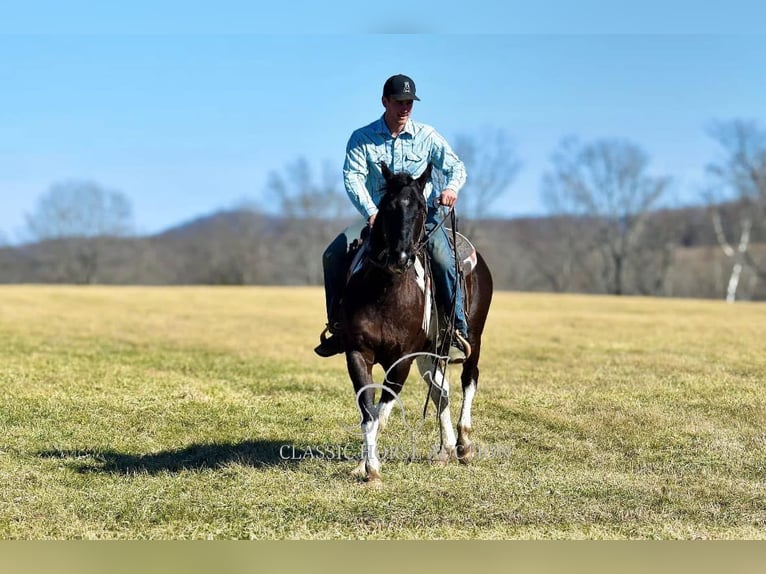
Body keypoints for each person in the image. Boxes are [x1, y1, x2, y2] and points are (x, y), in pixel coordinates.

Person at [314, 73, 469, 362]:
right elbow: (353, 178)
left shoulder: (428, 137)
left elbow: (456, 167)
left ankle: (456, 328)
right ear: (385, 101)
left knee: (444, 259)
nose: (405, 108)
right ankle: (338, 326)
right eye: (399, 102)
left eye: (409, 102)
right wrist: (371, 213)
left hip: (419, 220)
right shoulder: (362, 138)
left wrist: (450, 187)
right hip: (378, 218)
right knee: (332, 255)